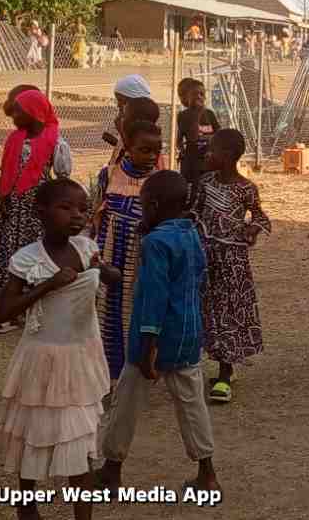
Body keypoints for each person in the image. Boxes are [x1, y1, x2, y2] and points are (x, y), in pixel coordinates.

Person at [0, 179, 121, 520]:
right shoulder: (27, 259)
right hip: (42, 360)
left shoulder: (86, 247)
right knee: (33, 434)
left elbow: (112, 278)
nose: (77, 215)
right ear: (41, 212)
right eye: (66, 208)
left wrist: (102, 268)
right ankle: (27, 507)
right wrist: (48, 285)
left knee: (80, 443)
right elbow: (2, 313)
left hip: (80, 358)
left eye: (82, 209)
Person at [97, 170, 219, 496]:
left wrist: (148, 345)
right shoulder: (191, 232)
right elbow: (199, 277)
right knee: (192, 405)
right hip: (187, 333)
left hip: (152, 338)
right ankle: (207, 473)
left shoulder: (155, 243)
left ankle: (111, 470)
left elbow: (154, 295)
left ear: (152, 205)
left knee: (126, 402)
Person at [192, 129, 271, 403]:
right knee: (209, 310)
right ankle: (215, 364)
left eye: (211, 150)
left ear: (226, 156)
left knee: (228, 311)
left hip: (232, 261)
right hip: (206, 257)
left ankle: (225, 374)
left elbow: (260, 217)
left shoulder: (246, 188)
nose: (207, 154)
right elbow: (195, 212)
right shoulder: (205, 183)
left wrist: (251, 230)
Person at [0, 90, 72, 333]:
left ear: (33, 113)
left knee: (33, 255)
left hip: (37, 211)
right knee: (10, 254)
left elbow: (62, 177)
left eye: (18, 111)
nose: (13, 116)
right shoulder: (15, 139)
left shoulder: (55, 142)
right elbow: (6, 171)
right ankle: (10, 311)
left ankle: (31, 309)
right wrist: (3, 197)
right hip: (12, 207)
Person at [93, 120, 164, 381]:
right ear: (128, 147)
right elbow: (96, 212)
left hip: (140, 257)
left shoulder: (159, 181)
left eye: (156, 151)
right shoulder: (109, 174)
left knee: (135, 310)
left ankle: (134, 372)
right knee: (106, 310)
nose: (152, 156)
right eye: (144, 150)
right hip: (110, 252)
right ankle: (106, 375)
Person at [177, 78, 221, 190]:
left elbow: (219, 135)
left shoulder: (210, 114)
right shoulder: (184, 115)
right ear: (186, 97)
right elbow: (188, 137)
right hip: (192, 162)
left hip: (208, 160)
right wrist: (183, 153)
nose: (199, 97)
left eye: (202, 94)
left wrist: (212, 150)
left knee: (208, 188)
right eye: (195, 94)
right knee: (192, 188)